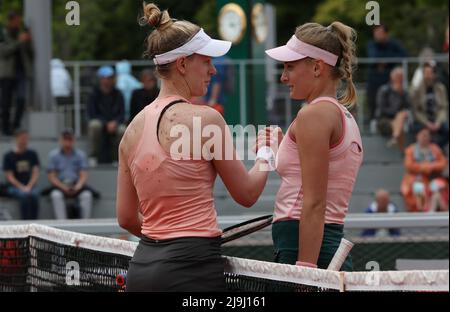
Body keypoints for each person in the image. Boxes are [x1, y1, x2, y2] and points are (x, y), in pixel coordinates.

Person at [116, 3, 280, 292]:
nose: (213, 70)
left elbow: (127, 218)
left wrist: (165, 241)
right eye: (206, 61)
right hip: (192, 271)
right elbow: (247, 194)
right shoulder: (208, 120)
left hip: (142, 269)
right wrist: (266, 153)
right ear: (182, 64)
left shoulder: (130, 131)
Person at [264, 21, 363, 270]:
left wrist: (305, 271)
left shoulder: (314, 115)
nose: (283, 77)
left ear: (317, 67)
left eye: (290, 67)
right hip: (321, 244)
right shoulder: (342, 115)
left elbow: (314, 203)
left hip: (306, 248)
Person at [47, 129, 93, 219]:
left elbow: (83, 174)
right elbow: (51, 176)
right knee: (55, 195)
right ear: (60, 140)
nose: (67, 142)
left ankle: (85, 223)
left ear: (73, 140)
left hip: (76, 185)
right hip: (60, 186)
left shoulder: (80, 155)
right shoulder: (53, 155)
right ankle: (62, 224)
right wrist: (63, 187)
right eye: (65, 139)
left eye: (70, 139)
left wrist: (78, 186)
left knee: (87, 195)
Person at [0, 11, 34, 136]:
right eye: (16, 21)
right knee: (6, 103)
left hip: (21, 72)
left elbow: (31, 53)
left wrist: (29, 39)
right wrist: (19, 42)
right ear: (11, 21)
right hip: (7, 73)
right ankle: (5, 128)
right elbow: (3, 51)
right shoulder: (3, 34)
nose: (18, 23)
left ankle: (15, 125)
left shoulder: (22, 33)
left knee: (21, 99)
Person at [366, 24, 407, 124]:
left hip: (389, 80)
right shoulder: (371, 44)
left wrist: (385, 60)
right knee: (372, 102)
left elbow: (404, 54)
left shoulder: (393, 44)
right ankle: (373, 122)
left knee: (390, 102)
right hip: (374, 80)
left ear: (386, 34)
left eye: (380, 33)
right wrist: (389, 59)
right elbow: (374, 57)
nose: (377, 35)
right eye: (376, 33)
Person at [401, 127, 448, 212]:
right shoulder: (411, 150)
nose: (425, 137)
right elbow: (409, 165)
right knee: (419, 187)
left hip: (433, 177)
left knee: (438, 186)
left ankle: (439, 211)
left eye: (427, 135)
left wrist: (430, 166)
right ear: (417, 136)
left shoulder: (435, 149)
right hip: (416, 179)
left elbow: (442, 163)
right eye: (423, 135)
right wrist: (425, 167)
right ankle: (421, 211)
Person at [87, 66, 126, 164]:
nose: (107, 80)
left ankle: (118, 158)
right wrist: (106, 124)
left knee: (123, 130)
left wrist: (115, 122)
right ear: (100, 79)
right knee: (94, 125)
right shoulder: (93, 94)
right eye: (104, 78)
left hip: (115, 124)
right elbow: (91, 114)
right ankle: (93, 156)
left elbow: (122, 114)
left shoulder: (119, 94)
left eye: (109, 78)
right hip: (100, 123)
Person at [2, 129, 40, 220]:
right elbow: (9, 176)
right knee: (24, 196)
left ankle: (34, 223)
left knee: (35, 195)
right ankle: (25, 223)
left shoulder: (32, 154)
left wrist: (29, 186)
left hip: (30, 186)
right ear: (16, 139)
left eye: (26, 138)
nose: (24, 140)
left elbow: (35, 172)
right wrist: (22, 187)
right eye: (22, 138)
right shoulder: (8, 156)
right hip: (14, 187)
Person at [410, 62, 449, 150]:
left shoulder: (440, 88)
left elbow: (443, 108)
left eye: (430, 73)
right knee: (416, 129)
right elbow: (416, 110)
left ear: (434, 74)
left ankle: (435, 149)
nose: (428, 76)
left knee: (447, 130)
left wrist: (438, 122)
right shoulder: (417, 89)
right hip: (423, 120)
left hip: (436, 119)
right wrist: (427, 123)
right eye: (425, 73)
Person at [375, 67, 410, 151]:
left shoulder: (403, 92)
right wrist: (397, 95)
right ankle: (403, 152)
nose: (400, 79)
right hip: (384, 120)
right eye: (398, 77)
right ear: (392, 78)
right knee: (400, 118)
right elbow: (382, 108)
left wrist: (400, 94)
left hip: (398, 120)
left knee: (401, 116)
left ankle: (395, 138)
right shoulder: (384, 90)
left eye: (401, 77)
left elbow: (408, 106)